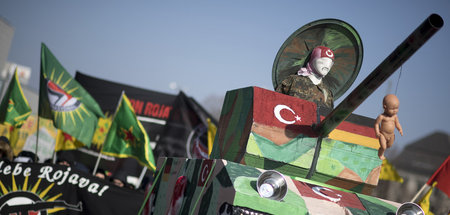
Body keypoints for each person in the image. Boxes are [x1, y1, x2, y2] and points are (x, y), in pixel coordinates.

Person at [374, 94, 403, 160]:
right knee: (384, 147)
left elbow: (397, 123)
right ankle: (380, 154)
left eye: (396, 108)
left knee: (389, 146)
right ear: (385, 107)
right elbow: (376, 124)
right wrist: (377, 132)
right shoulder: (382, 116)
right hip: (383, 135)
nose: (395, 110)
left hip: (391, 135)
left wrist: (400, 129)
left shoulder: (395, 116)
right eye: (392, 109)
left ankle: (382, 149)